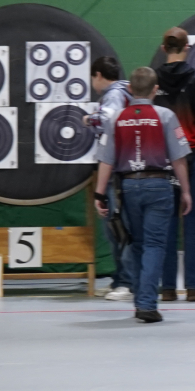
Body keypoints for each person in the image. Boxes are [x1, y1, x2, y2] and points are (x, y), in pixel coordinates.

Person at [92, 66, 193, 323]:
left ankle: (140, 300)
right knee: (155, 244)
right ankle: (147, 303)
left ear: (129, 89)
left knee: (136, 243)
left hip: (128, 187)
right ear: (155, 90)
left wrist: (99, 194)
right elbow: (179, 158)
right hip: (158, 185)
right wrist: (186, 191)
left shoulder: (117, 118)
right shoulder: (166, 116)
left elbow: (106, 160)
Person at [154, 27, 195, 302]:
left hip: (163, 159)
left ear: (163, 48)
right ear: (187, 48)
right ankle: (193, 288)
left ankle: (168, 288)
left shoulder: (153, 79)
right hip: (194, 156)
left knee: (165, 221)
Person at [86, 56, 135, 300]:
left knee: (119, 227)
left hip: (117, 171)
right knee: (116, 227)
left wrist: (88, 119)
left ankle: (126, 282)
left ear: (98, 75)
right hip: (120, 169)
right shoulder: (123, 91)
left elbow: (107, 121)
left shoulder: (114, 94)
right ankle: (120, 280)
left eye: (92, 78)